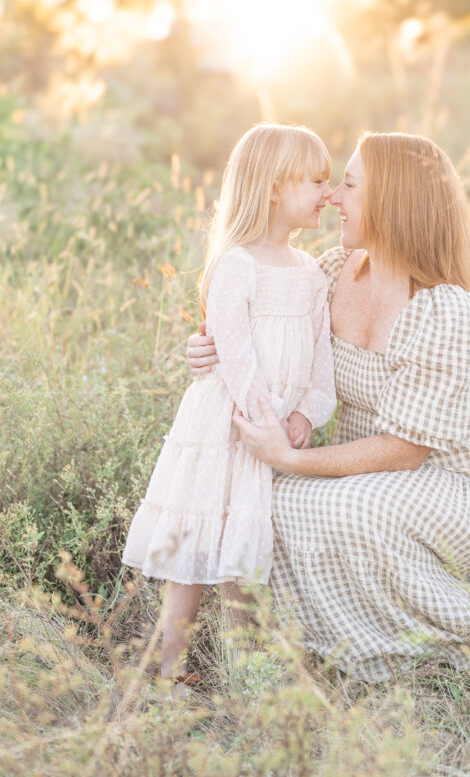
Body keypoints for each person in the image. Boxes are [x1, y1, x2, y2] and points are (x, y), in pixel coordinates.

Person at [187, 131, 470, 681]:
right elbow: (265, 339)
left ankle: (418, 638)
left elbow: (406, 452)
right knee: (262, 499)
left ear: (393, 201)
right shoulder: (334, 271)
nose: (334, 197)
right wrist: (208, 348)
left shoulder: (446, 309)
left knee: (356, 508)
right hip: (362, 469)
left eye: (350, 185)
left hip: (453, 486)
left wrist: (290, 459)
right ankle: (310, 641)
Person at [123, 123, 337, 685]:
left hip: (270, 435)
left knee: (246, 553)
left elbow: (322, 359)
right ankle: (171, 669)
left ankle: (245, 671)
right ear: (272, 186)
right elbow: (236, 357)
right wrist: (264, 418)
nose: (328, 193)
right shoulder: (236, 265)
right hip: (227, 426)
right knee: (193, 548)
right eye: (315, 181)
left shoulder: (311, 272)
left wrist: (304, 414)